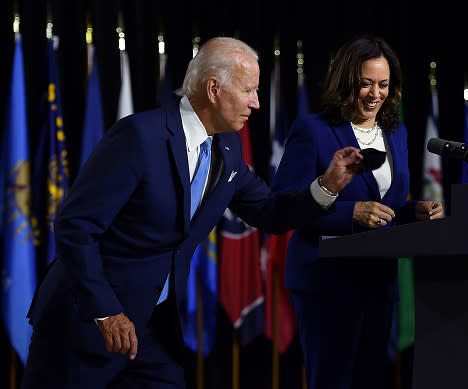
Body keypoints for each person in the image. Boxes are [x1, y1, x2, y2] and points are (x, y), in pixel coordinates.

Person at [21, 37, 363, 389]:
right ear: (213, 89)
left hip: (150, 330)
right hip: (85, 323)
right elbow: (76, 227)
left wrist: (327, 186)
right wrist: (106, 312)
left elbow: (269, 211)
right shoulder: (140, 136)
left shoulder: (228, 149)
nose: (256, 103)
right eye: (248, 90)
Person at [271, 35, 443, 389]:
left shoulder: (396, 133)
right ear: (347, 81)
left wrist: (414, 212)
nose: (375, 94)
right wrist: (351, 214)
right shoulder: (314, 130)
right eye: (365, 84)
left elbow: (387, 206)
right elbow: (284, 206)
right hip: (326, 283)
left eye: (383, 84)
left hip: (378, 281)